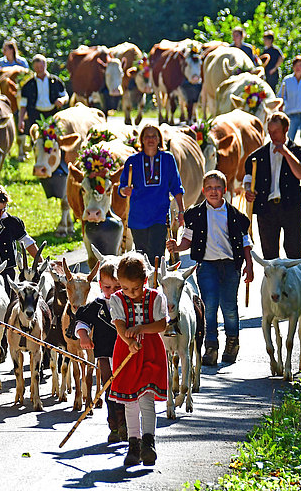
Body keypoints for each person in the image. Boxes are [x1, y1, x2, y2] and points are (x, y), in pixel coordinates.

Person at [166, 171, 254, 366]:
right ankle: (211, 346)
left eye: (217, 188)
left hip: (231, 265)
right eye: (209, 188)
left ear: (224, 190)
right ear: (203, 191)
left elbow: (245, 241)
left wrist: (249, 264)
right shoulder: (195, 214)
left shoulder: (235, 215)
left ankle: (232, 342)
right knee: (209, 307)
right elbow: (187, 240)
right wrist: (177, 247)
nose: (213, 192)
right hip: (206, 266)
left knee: (229, 307)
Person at [107, 253, 168, 467]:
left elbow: (161, 326)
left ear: (145, 280)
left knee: (146, 399)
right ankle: (133, 443)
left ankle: (148, 443)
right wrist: (129, 341)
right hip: (126, 352)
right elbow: (120, 326)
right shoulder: (117, 300)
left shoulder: (156, 297)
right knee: (130, 401)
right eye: (125, 288)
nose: (130, 293)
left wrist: (141, 329)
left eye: (135, 288)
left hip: (151, 351)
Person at [243, 112, 301, 269]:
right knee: (270, 256)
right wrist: (248, 191)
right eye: (270, 131)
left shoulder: (299, 152)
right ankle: (273, 291)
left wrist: (286, 153)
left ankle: (297, 289)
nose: (272, 136)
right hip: (266, 211)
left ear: (286, 129)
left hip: (291, 208)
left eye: (276, 131)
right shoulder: (257, 156)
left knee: (295, 253)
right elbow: (248, 180)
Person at [75, 259, 126, 444]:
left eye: (118, 286)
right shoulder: (96, 306)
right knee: (109, 388)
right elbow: (81, 321)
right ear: (100, 285)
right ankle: (114, 425)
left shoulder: (128, 304)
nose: (112, 291)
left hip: (127, 354)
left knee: (127, 389)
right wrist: (84, 336)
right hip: (105, 354)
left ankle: (126, 425)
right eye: (107, 286)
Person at [118, 123, 185, 263]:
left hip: (159, 216)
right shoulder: (132, 161)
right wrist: (125, 190)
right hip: (138, 218)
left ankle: (156, 284)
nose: (151, 139)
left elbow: (176, 186)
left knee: (157, 256)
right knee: (141, 259)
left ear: (159, 139)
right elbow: (122, 187)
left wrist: (181, 211)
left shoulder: (168, 159)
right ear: (142, 139)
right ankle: (144, 284)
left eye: (154, 136)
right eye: (147, 136)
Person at [0, 183, 39, 287]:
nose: (1, 213)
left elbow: (27, 242)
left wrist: (40, 262)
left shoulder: (12, 222)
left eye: (4, 209)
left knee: (9, 298)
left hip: (6, 270)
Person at [18, 54, 69, 135]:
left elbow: (65, 95)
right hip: (35, 115)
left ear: (45, 65)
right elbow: (23, 104)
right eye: (37, 67)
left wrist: (62, 100)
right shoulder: (28, 85)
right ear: (33, 68)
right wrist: (21, 120)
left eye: (41, 67)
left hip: (53, 114)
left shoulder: (55, 81)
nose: (40, 69)